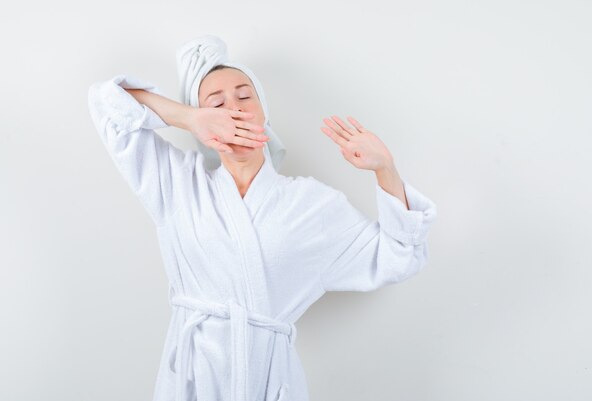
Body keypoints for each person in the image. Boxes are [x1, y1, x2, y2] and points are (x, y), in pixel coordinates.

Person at [86, 35, 437, 401]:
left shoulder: (311, 203)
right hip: (192, 381)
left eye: (244, 96)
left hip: (268, 382)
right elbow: (105, 102)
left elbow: (400, 256)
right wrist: (189, 118)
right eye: (216, 104)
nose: (232, 110)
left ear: (264, 112)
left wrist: (386, 169)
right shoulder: (178, 184)